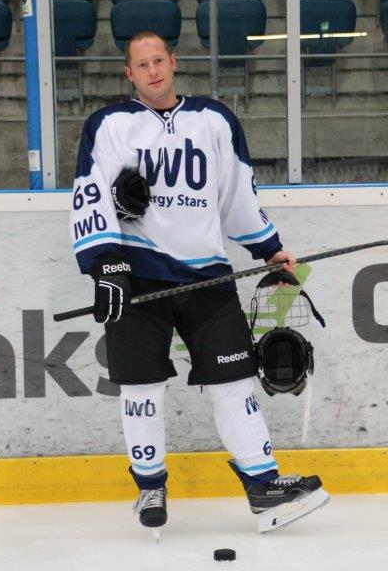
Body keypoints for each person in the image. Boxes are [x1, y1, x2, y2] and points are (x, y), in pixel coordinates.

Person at [70, 31, 329, 533]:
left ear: (173, 62)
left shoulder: (214, 120)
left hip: (208, 277)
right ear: (128, 73)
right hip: (139, 278)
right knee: (141, 386)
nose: (152, 71)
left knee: (235, 382)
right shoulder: (109, 125)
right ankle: (150, 487)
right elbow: (90, 194)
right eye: (141, 64)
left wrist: (269, 249)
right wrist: (106, 264)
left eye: (159, 60)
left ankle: (263, 487)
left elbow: (236, 193)